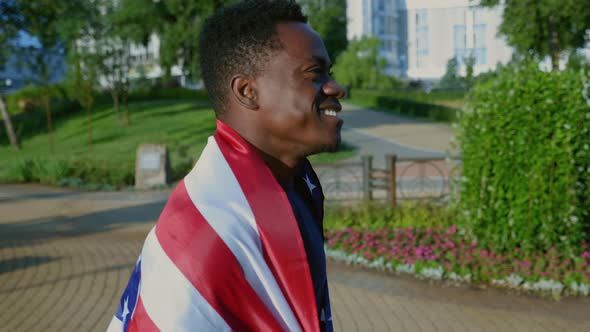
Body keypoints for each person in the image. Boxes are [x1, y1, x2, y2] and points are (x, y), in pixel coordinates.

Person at [107, 1, 345, 331]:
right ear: (247, 91)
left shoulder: (293, 183)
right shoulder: (206, 237)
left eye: (328, 73)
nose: (335, 87)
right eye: (315, 73)